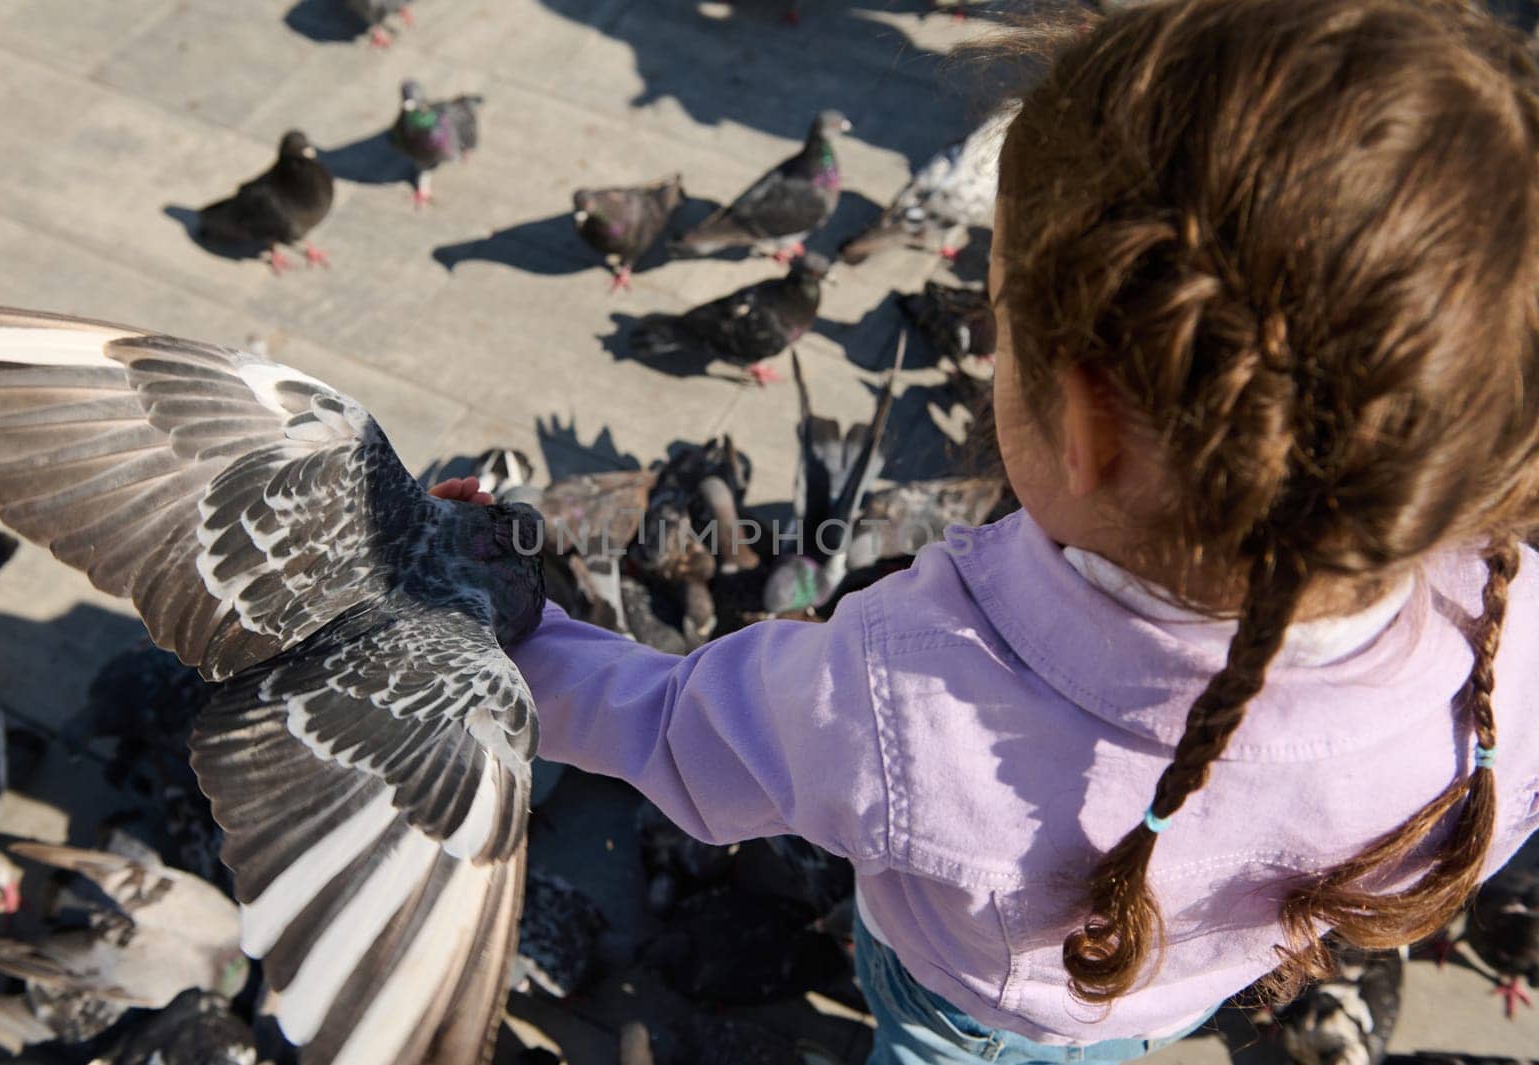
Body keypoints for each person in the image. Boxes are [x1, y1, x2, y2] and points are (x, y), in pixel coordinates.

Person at [433, 0, 1539, 1059]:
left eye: (1002, 316)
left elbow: (671, 727)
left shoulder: (909, 685)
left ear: (1090, 424)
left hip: (964, 1006)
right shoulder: (1513, 638)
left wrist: (485, 632)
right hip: (1163, 1002)